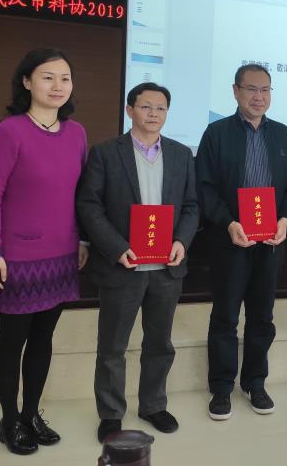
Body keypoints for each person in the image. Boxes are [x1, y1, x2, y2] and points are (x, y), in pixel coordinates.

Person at [0, 48, 88, 455]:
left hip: (62, 256)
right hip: (17, 260)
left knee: (43, 339)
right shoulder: (8, 133)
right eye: (47, 77)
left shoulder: (77, 133)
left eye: (65, 78)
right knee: (12, 342)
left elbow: (80, 194)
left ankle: (30, 415)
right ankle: (9, 420)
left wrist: (83, 240)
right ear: (26, 82)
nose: (58, 86)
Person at [77, 82, 199, 442]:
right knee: (112, 347)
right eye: (146, 107)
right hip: (123, 266)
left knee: (160, 344)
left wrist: (181, 241)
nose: (154, 114)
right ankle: (111, 413)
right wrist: (117, 248)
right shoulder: (105, 153)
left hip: (166, 268)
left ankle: (153, 405)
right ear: (130, 110)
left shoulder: (181, 154)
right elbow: (89, 206)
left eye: (161, 108)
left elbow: (192, 206)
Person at [196, 63, 287, 420]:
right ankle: (221, 388)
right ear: (236, 91)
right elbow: (204, 187)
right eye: (252, 89)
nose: (259, 97)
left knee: (262, 316)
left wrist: (285, 219)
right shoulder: (216, 133)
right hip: (230, 240)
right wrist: (228, 223)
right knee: (225, 316)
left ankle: (255, 382)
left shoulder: (283, 135)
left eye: (265, 90)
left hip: (271, 243)